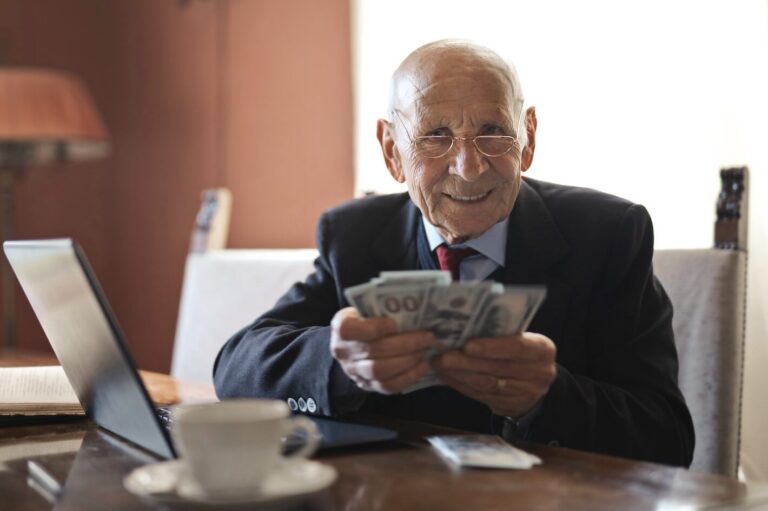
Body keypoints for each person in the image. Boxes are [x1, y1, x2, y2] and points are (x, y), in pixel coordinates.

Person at [213, 40, 695, 466]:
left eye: (492, 131)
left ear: (527, 138)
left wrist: (548, 398)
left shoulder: (609, 234)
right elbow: (236, 369)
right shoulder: (355, 235)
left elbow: (668, 437)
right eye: (435, 136)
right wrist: (341, 364)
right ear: (391, 151)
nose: (468, 167)